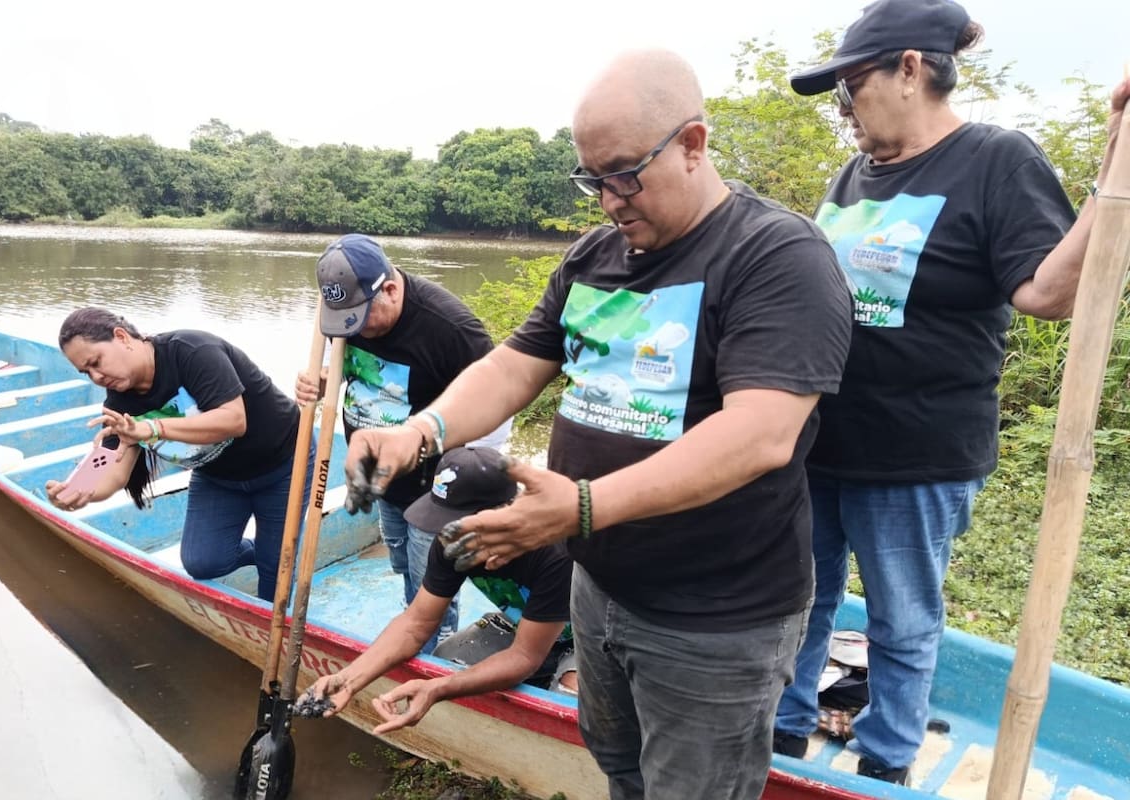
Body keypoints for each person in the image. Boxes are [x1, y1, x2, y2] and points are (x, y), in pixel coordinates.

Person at [336, 50, 853, 800]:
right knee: (620, 770)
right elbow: (514, 366)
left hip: (712, 616)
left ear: (693, 145)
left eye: (622, 173)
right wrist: (419, 431)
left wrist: (581, 508)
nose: (607, 200)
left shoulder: (775, 256)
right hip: (598, 590)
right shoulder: (595, 258)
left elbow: (761, 433)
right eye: (591, 178)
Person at [773, 0, 1130, 786]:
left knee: (902, 619)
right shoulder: (855, 171)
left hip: (918, 451)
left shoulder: (996, 160)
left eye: (850, 87)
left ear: (909, 68)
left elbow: (1047, 291)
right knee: (800, 598)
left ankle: (887, 759)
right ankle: (786, 733)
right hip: (818, 442)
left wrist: (1116, 159)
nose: (844, 109)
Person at [297, 233, 510, 652]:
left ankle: (433, 648)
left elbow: (497, 412)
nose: (355, 330)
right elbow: (351, 369)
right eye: (347, 320)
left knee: (428, 583)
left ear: (390, 289)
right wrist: (321, 382)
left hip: (434, 492)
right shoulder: (346, 312)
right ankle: (417, 620)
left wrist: (451, 476)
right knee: (401, 561)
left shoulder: (451, 330)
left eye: (361, 317)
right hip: (381, 481)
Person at [296, 446, 572, 735]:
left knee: (571, 697)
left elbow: (525, 657)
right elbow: (417, 623)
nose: (445, 535)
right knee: (447, 656)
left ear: (501, 514)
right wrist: (349, 678)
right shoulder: (451, 540)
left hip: (591, 637)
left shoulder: (556, 553)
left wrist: (438, 688)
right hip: (528, 625)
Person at [46, 307, 312, 602]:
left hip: (283, 462)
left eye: (96, 362)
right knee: (203, 562)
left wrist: (153, 427)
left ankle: (269, 602)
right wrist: (77, 491)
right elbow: (112, 471)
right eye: (86, 372)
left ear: (121, 337)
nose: (96, 376)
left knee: (277, 569)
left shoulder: (191, 352)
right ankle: (261, 552)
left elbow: (234, 421)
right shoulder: (119, 402)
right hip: (219, 476)